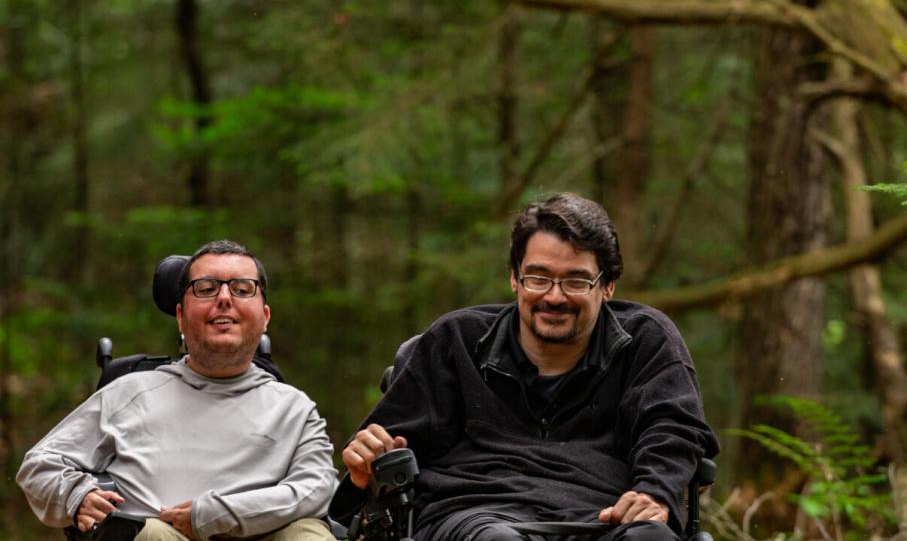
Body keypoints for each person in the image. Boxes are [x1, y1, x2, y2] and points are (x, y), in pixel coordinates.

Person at [334, 193, 720, 541]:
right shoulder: (455, 341)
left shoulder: (646, 340)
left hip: (606, 514)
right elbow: (384, 455)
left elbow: (674, 429)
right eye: (539, 277)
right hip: (475, 515)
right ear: (514, 278)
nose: (554, 297)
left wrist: (654, 492)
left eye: (576, 281)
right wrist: (365, 466)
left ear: (608, 286)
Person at [17, 240, 338, 540]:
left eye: (242, 288)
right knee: (152, 534)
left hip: (261, 533)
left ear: (265, 317)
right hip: (159, 534)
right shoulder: (128, 394)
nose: (224, 299)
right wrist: (78, 495)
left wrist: (216, 514)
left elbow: (318, 487)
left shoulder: (294, 408)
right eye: (206, 288)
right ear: (181, 318)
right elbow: (40, 465)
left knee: (308, 532)